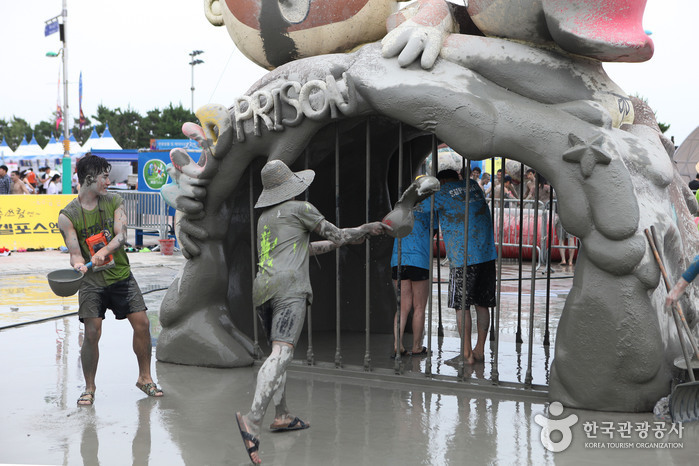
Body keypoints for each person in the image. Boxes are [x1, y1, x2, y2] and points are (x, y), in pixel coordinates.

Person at [236, 160, 389, 464]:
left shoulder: (265, 218)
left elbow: (302, 248)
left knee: (277, 357)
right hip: (289, 290)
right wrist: (368, 229)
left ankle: (281, 416)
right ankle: (253, 420)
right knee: (281, 355)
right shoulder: (302, 209)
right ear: (292, 185)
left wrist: (331, 246)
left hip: (262, 291)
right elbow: (341, 236)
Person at [57, 154, 163, 406]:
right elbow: (74, 254)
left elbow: (121, 236)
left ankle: (145, 377)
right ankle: (89, 387)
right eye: (104, 176)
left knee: (142, 323)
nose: (108, 180)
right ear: (89, 178)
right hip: (92, 283)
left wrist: (103, 252)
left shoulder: (114, 200)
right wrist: (79, 264)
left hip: (121, 275)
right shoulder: (67, 216)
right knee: (92, 332)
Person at [433, 169, 497, 365]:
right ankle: (479, 351)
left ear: (442, 181)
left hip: (463, 257)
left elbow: (418, 209)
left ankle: (466, 354)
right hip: (487, 253)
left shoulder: (441, 193)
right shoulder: (474, 185)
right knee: (483, 304)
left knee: (461, 305)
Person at [390, 195, 438, 357]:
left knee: (402, 307)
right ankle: (417, 346)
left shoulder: (401, 207)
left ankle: (398, 345)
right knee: (419, 307)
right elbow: (433, 232)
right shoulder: (430, 208)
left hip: (398, 260)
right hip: (419, 261)